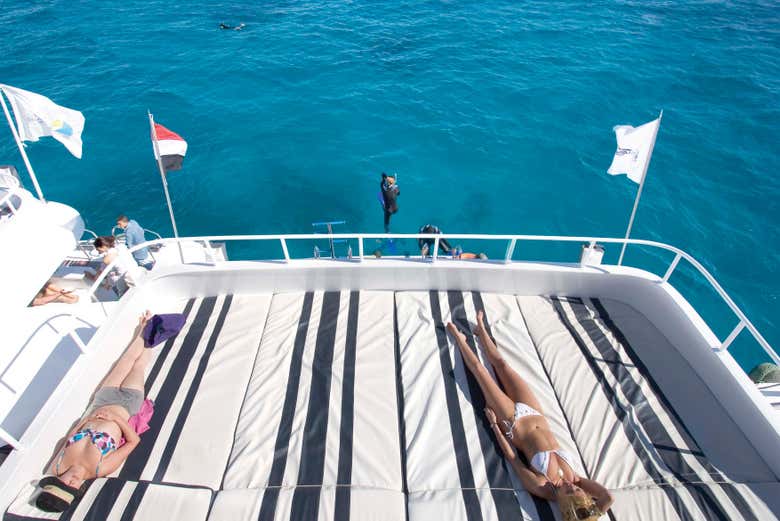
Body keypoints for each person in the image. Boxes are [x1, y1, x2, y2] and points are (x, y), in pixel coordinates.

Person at [447, 312, 613, 520]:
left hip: (512, 422)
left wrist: (495, 426)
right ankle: (481, 331)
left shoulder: (542, 486)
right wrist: (590, 515)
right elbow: (607, 497)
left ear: (563, 502)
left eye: (569, 491)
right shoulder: (576, 479)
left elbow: (514, 458)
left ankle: (459, 340)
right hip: (535, 412)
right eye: (577, 490)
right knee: (503, 365)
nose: (572, 486)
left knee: (481, 372)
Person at [36, 312, 155, 513]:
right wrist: (115, 418)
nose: (72, 482)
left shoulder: (57, 465)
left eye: (64, 484)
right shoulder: (100, 469)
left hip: (101, 401)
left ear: (56, 481)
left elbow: (70, 436)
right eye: (72, 489)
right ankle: (151, 330)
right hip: (126, 406)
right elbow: (134, 441)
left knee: (125, 360)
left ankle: (144, 328)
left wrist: (88, 419)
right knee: (139, 365)